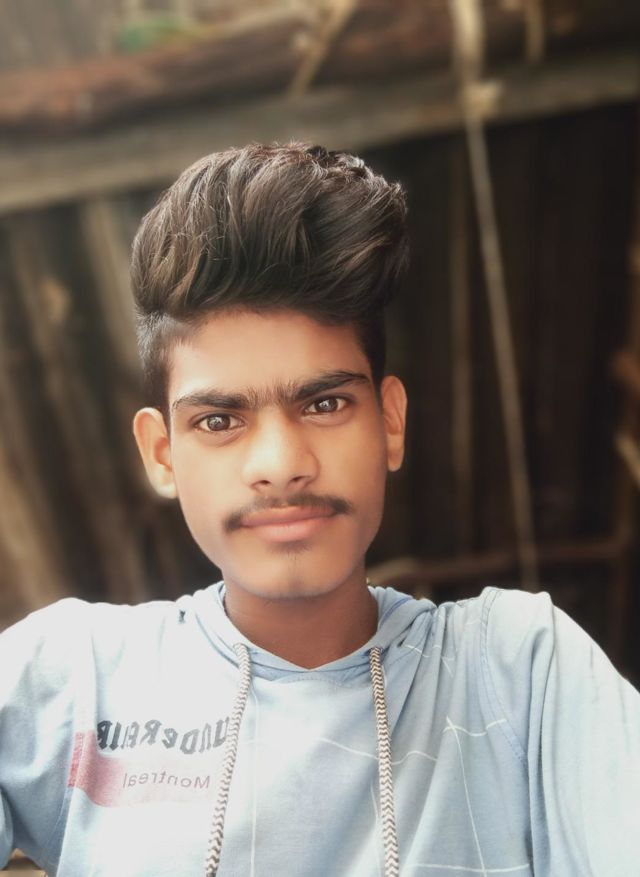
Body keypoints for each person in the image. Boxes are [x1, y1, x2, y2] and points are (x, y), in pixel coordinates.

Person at [0, 143, 638, 877]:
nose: (281, 462)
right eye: (219, 420)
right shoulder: (72, 680)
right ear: (162, 453)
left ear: (390, 422)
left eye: (325, 403)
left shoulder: (520, 674)